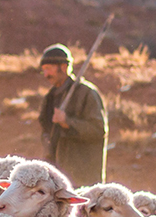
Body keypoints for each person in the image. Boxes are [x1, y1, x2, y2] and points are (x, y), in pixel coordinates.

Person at [37, 44, 107, 186]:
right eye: (43, 70)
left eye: (49, 69)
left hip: (83, 179)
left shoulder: (87, 93)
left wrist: (67, 122)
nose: (46, 75)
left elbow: (98, 130)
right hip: (56, 178)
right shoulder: (49, 98)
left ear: (63, 67)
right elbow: (46, 131)